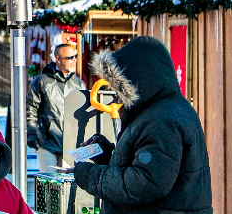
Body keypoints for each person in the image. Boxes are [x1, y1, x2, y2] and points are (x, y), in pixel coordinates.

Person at [73, 36, 212, 214]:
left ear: (137, 80)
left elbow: (142, 184)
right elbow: (150, 168)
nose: (115, 92)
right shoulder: (163, 109)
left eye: (119, 85)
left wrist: (90, 175)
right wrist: (106, 155)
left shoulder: (160, 120)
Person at [26, 43, 87, 172]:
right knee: (49, 180)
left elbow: (83, 113)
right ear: (58, 59)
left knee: (66, 181)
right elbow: (30, 109)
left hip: (71, 143)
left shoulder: (79, 84)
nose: (74, 60)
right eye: (70, 57)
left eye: (75, 56)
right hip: (46, 142)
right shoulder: (42, 81)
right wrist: (32, 135)